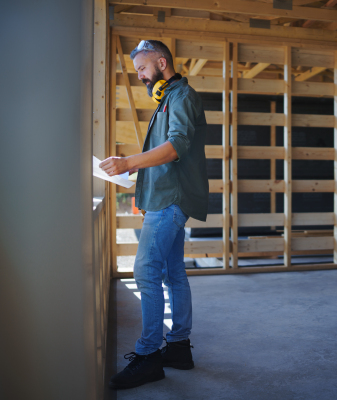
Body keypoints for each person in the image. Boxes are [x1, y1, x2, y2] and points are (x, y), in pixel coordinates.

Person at [100, 39, 209, 390]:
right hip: (166, 197)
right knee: (173, 273)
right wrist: (136, 176)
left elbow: (176, 146)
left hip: (170, 201)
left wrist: (129, 161)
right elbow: (166, 156)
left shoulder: (180, 97)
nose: (141, 77)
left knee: (144, 271)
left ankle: (148, 356)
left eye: (143, 69)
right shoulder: (169, 98)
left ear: (162, 63)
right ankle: (178, 348)